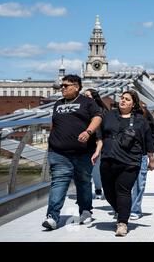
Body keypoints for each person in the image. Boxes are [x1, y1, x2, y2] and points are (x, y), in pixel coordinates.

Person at [92, 90, 154, 236]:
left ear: (133, 104)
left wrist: (151, 160)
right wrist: (97, 151)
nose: (123, 101)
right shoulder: (109, 116)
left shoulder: (141, 120)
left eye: (127, 99)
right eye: (122, 98)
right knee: (108, 192)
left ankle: (122, 223)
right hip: (108, 159)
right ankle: (123, 211)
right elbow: (100, 136)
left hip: (130, 162)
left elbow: (148, 142)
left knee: (123, 191)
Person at [42, 75, 102, 230]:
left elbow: (98, 117)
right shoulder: (57, 103)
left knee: (83, 183)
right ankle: (52, 217)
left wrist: (88, 132)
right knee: (59, 182)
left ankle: (86, 211)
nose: (62, 88)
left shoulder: (88, 102)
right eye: (61, 85)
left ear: (76, 86)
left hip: (83, 152)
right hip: (59, 152)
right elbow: (54, 124)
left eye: (66, 85)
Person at [130, 101, 154, 220]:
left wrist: (149, 149)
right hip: (123, 154)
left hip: (141, 154)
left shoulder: (144, 114)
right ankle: (123, 208)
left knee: (139, 183)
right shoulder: (120, 116)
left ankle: (135, 209)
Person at [84, 88, 110, 200]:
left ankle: (99, 189)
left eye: (88, 96)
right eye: (84, 96)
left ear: (94, 98)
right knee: (88, 169)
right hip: (87, 142)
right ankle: (91, 192)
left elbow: (103, 129)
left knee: (97, 169)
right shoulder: (83, 110)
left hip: (100, 143)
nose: (85, 98)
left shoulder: (101, 111)